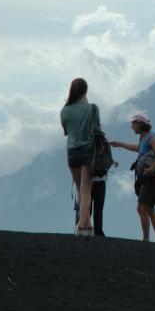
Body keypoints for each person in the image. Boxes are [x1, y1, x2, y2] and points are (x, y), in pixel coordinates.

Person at [110, 112, 155, 243]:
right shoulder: (144, 138)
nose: (132, 126)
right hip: (146, 178)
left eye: (133, 123)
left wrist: (152, 168)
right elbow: (138, 148)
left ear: (140, 123)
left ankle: (146, 239)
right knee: (149, 209)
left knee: (142, 208)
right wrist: (120, 144)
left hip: (150, 177)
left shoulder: (151, 137)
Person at [60, 77, 99, 237]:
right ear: (85, 91)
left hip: (72, 151)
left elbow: (66, 131)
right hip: (88, 150)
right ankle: (82, 226)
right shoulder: (93, 109)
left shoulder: (65, 110)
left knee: (79, 189)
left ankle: (89, 226)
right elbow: (97, 128)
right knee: (86, 190)